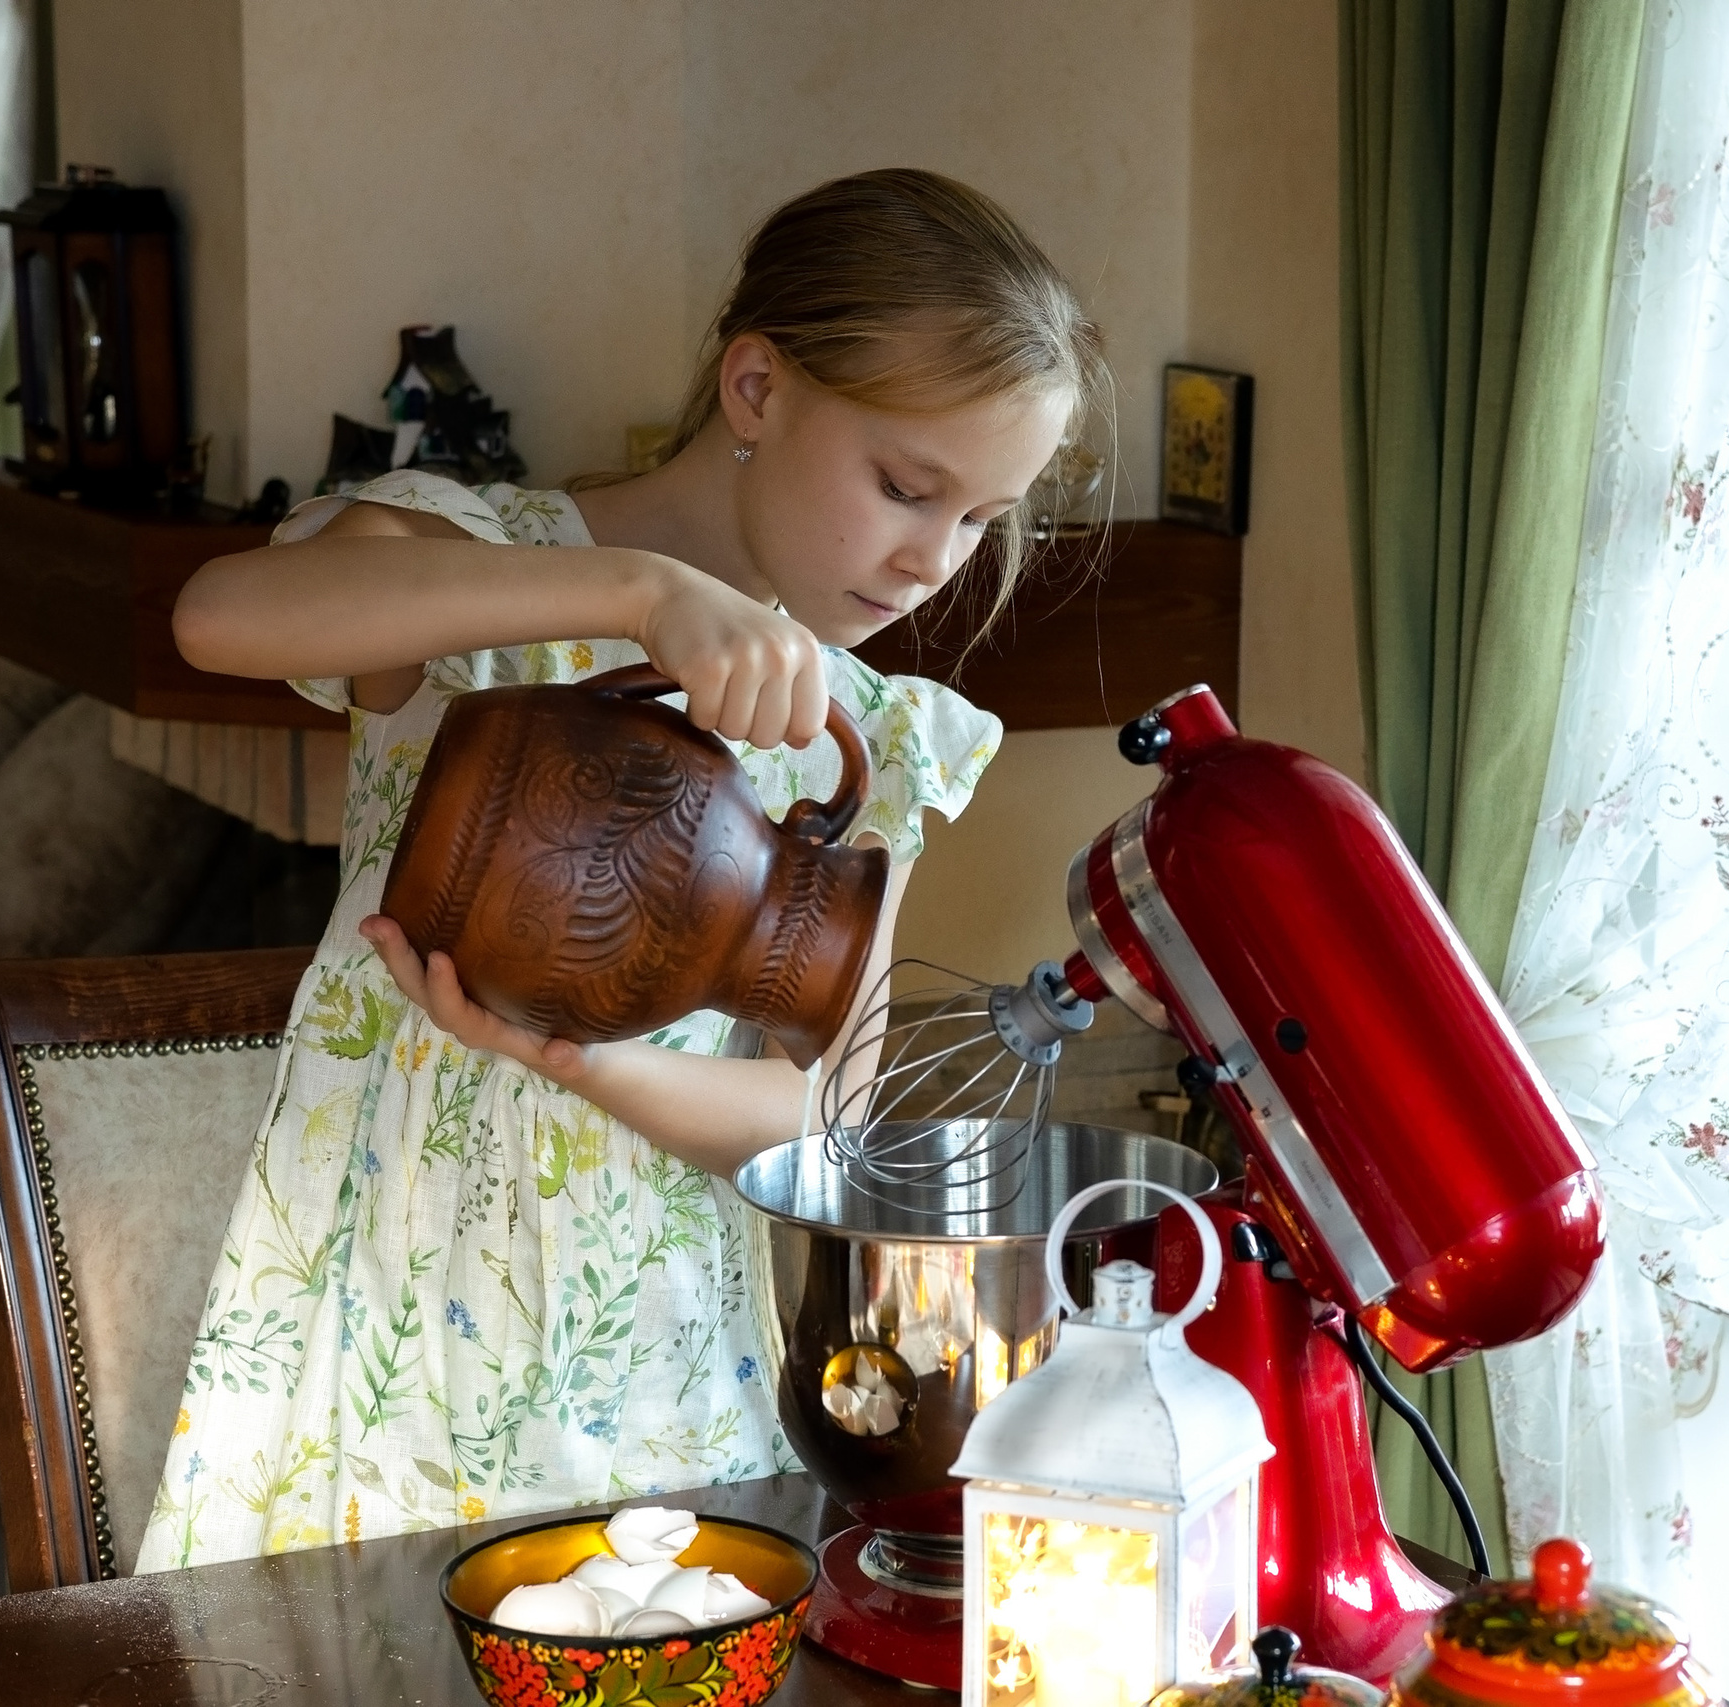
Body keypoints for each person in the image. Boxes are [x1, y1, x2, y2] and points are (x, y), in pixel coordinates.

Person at [133, 169, 1105, 1570]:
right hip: (382, 1293)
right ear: (757, 390)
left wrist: (585, 1063)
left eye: (977, 520)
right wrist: (636, 591)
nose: (930, 559)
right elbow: (220, 614)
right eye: (908, 487)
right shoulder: (474, 562)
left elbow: (823, 1109)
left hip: (652, 1344)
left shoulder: (860, 736)